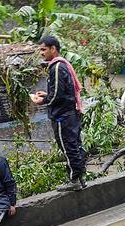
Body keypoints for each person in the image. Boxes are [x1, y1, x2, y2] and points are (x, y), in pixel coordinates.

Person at [32, 35, 87, 192]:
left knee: (68, 147)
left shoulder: (56, 67)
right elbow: (61, 91)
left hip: (63, 116)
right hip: (71, 113)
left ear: (53, 49)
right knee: (75, 145)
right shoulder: (63, 65)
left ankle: (74, 180)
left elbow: (57, 95)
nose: (41, 53)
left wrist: (42, 101)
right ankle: (80, 177)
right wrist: (46, 94)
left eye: (43, 49)